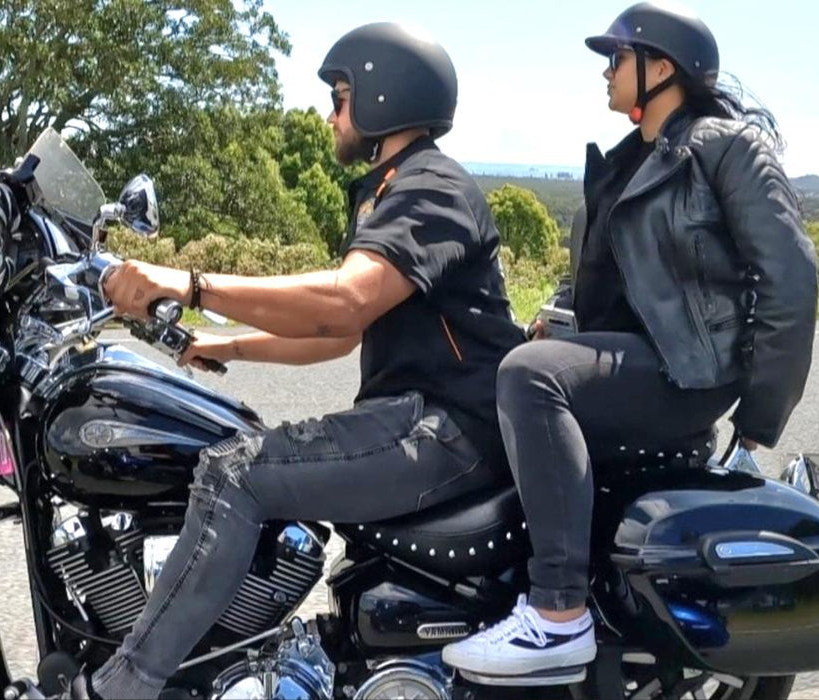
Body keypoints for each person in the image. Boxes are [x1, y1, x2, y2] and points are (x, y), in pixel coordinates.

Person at [57, 22, 527, 699]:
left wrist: (188, 285)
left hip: (447, 430)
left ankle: (122, 687)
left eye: (341, 97)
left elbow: (343, 303)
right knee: (233, 445)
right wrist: (222, 344)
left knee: (234, 474)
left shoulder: (430, 190)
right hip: (424, 421)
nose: (331, 115)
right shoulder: (394, 188)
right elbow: (336, 334)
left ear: (386, 97)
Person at [443, 0, 819, 679]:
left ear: (662, 67)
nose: (606, 71)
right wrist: (555, 319)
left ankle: (557, 613)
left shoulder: (725, 147)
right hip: (635, 359)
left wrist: (760, 416)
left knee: (531, 376)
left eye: (618, 57)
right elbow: (602, 275)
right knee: (500, 365)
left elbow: (790, 277)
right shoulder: (628, 160)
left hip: (688, 371)